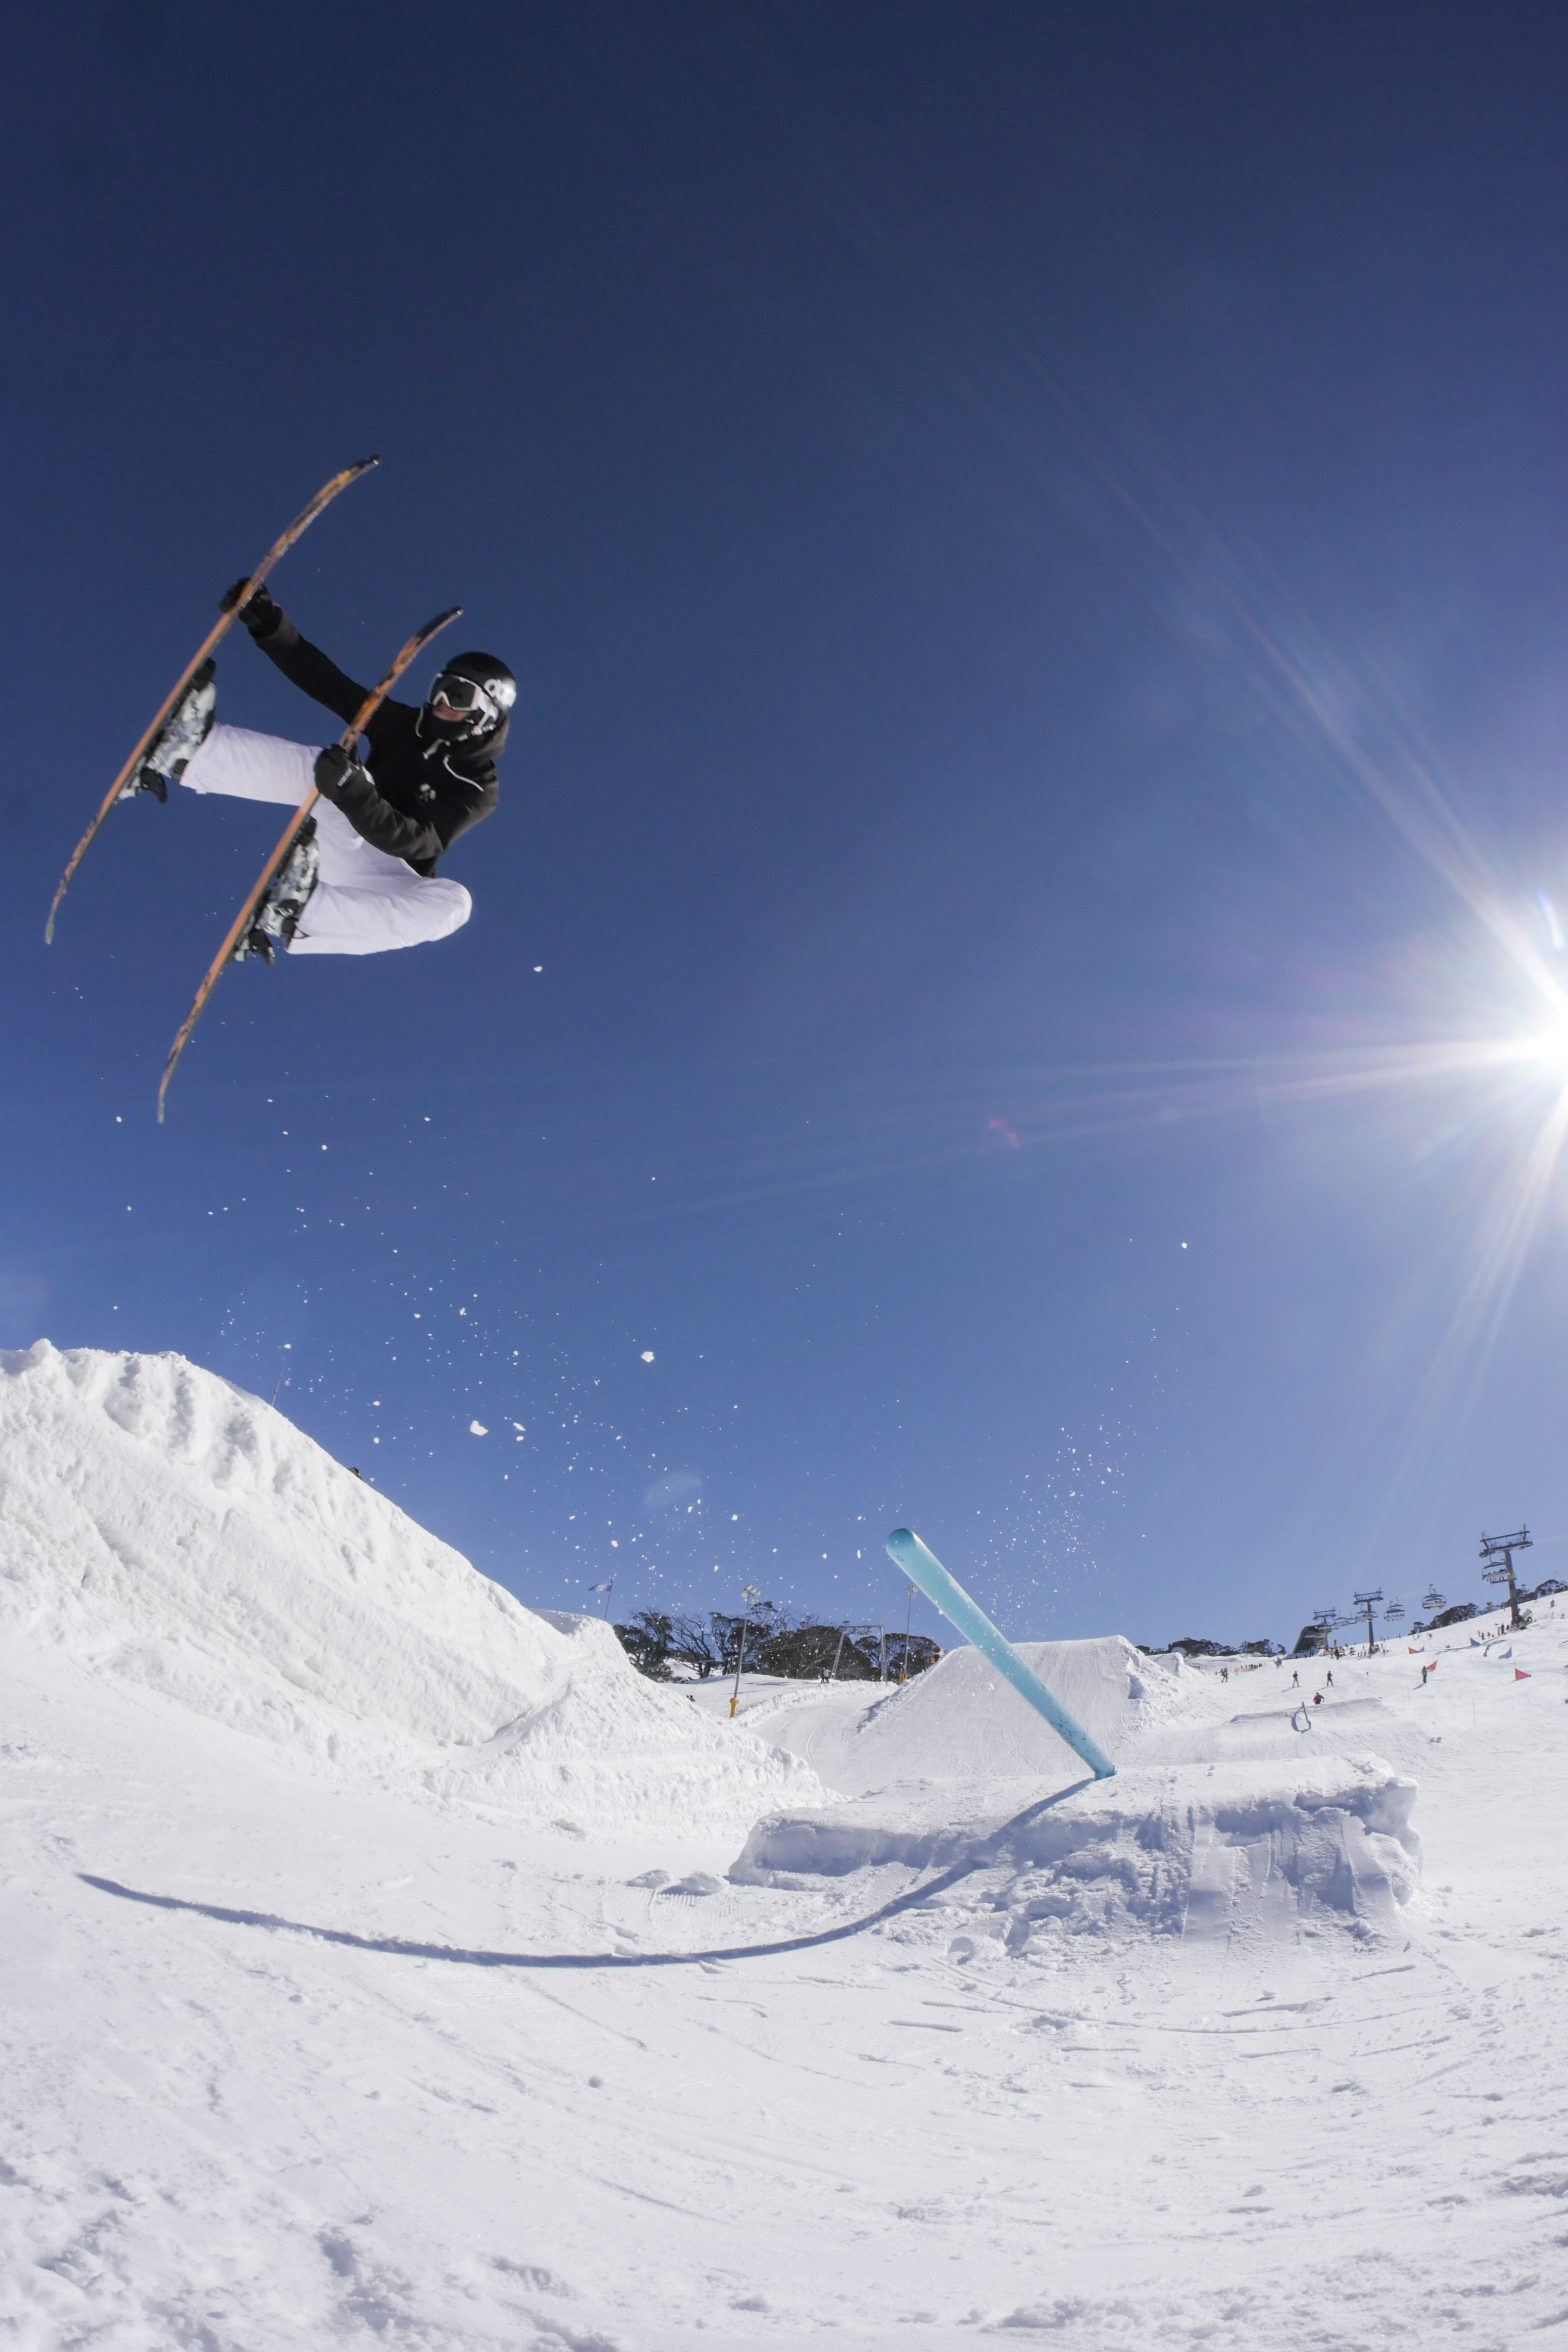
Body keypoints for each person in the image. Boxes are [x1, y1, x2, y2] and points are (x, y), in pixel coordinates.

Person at [122, 580, 514, 960]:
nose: (442, 702)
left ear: (488, 712)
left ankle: (302, 915)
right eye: (439, 688)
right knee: (320, 766)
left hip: (383, 879)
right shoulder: (406, 726)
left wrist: (355, 791)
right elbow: (331, 686)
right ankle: (191, 753)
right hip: (344, 836)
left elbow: (421, 844)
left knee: (455, 904)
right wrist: (271, 627)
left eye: (459, 695)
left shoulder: (480, 786)